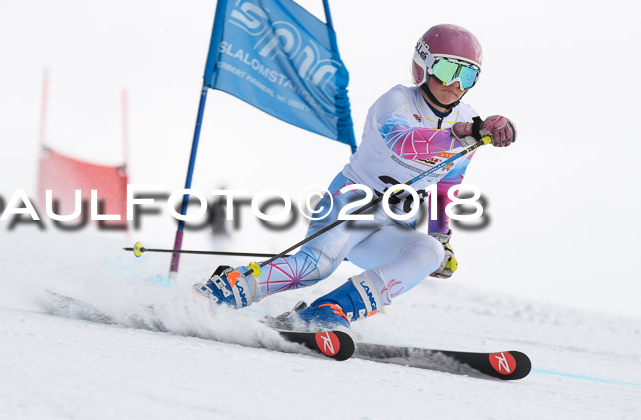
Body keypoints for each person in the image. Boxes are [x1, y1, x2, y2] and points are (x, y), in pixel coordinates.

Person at [195, 24, 517, 329]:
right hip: (351, 205)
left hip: (392, 223)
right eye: (447, 70)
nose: (455, 84)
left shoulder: (467, 120)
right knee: (315, 267)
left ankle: (328, 312)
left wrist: (442, 238)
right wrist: (461, 135)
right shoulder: (397, 101)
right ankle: (222, 292)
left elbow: (447, 184)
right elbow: (402, 142)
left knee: (428, 254)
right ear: (424, 66)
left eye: (467, 74)